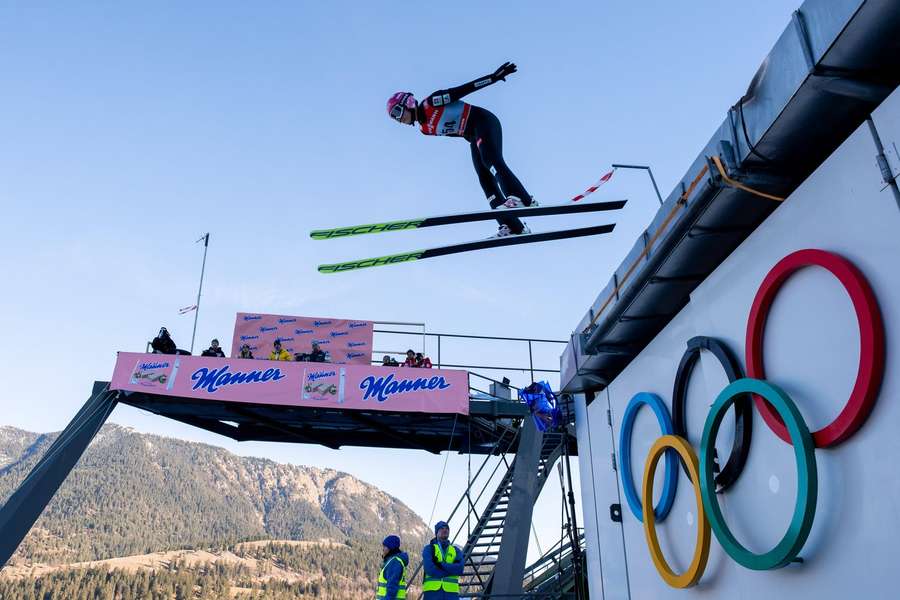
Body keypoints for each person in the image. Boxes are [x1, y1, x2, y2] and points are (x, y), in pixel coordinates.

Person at [387, 62, 535, 238]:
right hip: (473, 136)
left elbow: (464, 89)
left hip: (484, 122)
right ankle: (513, 226)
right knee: (484, 179)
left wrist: (493, 78)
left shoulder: (432, 103)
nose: (398, 119)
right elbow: (457, 131)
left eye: (397, 112)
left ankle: (522, 198)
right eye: (394, 118)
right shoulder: (425, 130)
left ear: (408, 103)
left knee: (490, 159)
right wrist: (475, 142)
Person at [422, 521, 463, 599]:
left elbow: (460, 569)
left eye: (447, 528)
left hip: (451, 594)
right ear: (436, 533)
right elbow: (429, 569)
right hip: (432, 594)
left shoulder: (456, 550)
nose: (445, 530)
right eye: (441, 528)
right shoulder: (429, 549)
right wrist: (451, 570)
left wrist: (440, 565)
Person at [377, 535, 409, 600]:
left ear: (390, 548)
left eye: (385, 546)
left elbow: (392, 587)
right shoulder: (392, 561)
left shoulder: (394, 562)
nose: (383, 549)